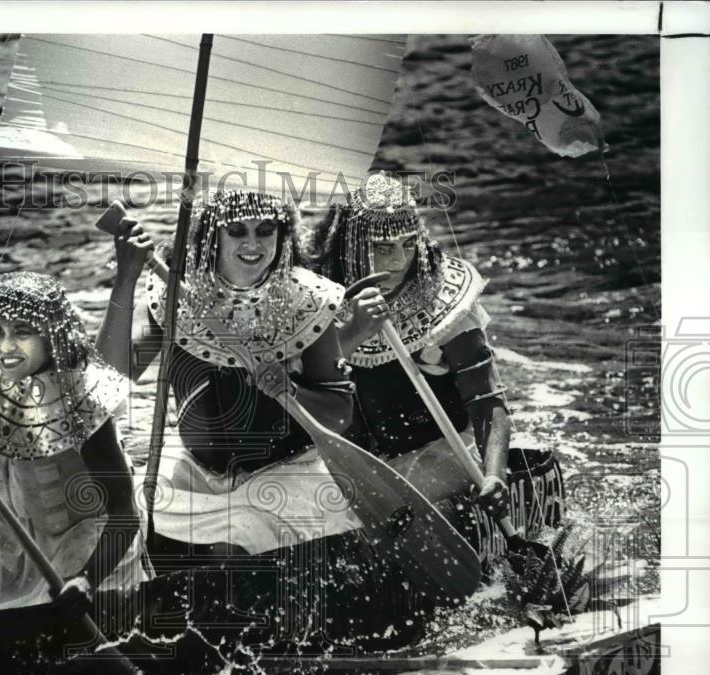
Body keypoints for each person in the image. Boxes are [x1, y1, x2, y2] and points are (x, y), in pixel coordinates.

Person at [95, 189, 362, 556]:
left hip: (285, 477)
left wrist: (290, 389)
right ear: (210, 236)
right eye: (236, 230)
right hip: (193, 475)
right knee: (124, 535)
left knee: (233, 546)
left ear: (282, 236)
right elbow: (106, 381)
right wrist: (125, 278)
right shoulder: (170, 293)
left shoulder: (309, 300)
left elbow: (339, 415)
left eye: (265, 230)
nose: (252, 244)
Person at [0, 272, 147, 622]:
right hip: (4, 523)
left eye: (23, 331)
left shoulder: (82, 392)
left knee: (49, 616)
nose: (6, 347)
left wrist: (88, 580)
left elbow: (124, 514)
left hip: (86, 534)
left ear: (52, 337)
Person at [306, 171, 511, 521]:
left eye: (407, 244)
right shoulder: (314, 296)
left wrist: (494, 474)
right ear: (351, 246)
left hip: (447, 453)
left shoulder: (445, 302)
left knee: (372, 501)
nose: (399, 262)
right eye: (383, 248)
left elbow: (487, 399)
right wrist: (354, 331)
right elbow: (300, 381)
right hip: (359, 461)